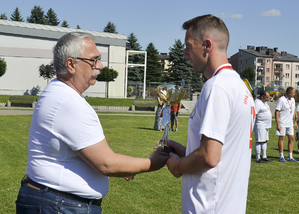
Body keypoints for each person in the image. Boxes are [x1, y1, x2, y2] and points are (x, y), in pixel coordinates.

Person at [15, 32, 169, 214]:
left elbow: (88, 154)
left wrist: (124, 167)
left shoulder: (57, 93)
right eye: (94, 60)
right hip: (61, 205)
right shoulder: (68, 102)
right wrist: (151, 163)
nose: (100, 66)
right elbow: (105, 164)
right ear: (71, 64)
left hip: (53, 200)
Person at [165, 14, 255, 214]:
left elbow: (209, 157)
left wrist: (178, 166)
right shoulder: (241, 87)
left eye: (189, 46)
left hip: (209, 207)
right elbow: (222, 151)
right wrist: (185, 151)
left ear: (207, 45)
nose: (185, 54)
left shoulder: (217, 87)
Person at [275, 86, 298, 162]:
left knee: (291, 138)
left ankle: (290, 156)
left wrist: (295, 121)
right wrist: (278, 123)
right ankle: (281, 156)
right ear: (290, 93)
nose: (295, 94)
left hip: (290, 123)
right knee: (282, 138)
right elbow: (277, 111)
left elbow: (293, 111)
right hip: (282, 122)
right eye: (294, 93)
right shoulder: (281, 100)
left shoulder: (293, 100)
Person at [254, 90, 272, 163]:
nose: (268, 98)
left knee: (264, 140)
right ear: (262, 96)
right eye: (267, 97)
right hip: (260, 124)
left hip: (266, 125)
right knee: (259, 141)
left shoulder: (264, 102)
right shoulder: (257, 103)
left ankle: (264, 156)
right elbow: (254, 114)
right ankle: (258, 158)